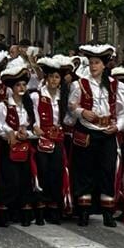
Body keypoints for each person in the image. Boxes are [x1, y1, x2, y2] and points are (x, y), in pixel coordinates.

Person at [68, 44, 124, 227]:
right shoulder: (79, 84)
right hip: (87, 131)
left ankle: (107, 212)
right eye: (91, 62)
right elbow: (71, 107)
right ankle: (84, 211)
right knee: (85, 170)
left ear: (104, 65)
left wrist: (117, 126)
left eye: (97, 63)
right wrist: (82, 112)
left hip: (107, 133)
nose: (93, 66)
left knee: (107, 171)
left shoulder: (116, 86)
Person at [0, 60, 39, 227]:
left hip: (25, 148)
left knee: (25, 179)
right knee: (9, 179)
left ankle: (24, 212)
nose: (21, 88)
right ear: (11, 87)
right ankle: (5, 212)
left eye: (23, 84)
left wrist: (27, 133)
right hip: (8, 147)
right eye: (18, 85)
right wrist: (10, 132)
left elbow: (35, 127)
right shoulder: (3, 106)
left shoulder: (28, 106)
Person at [31, 56, 72, 224]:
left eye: (57, 77)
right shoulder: (37, 96)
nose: (54, 80)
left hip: (59, 139)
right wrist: (36, 127)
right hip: (42, 139)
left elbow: (68, 119)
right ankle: (41, 207)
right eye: (51, 77)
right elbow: (33, 116)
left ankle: (54, 207)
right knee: (43, 171)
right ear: (46, 79)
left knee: (57, 171)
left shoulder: (64, 98)